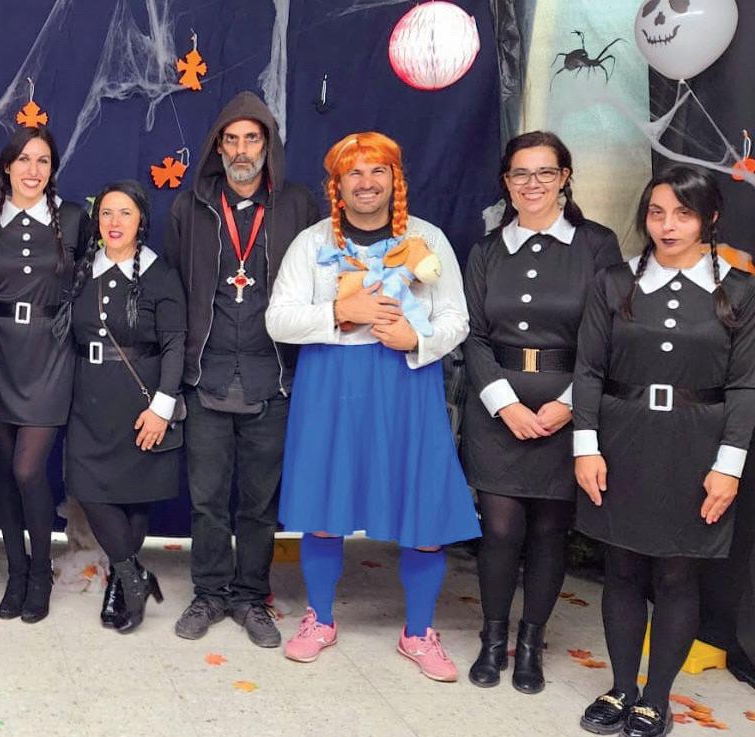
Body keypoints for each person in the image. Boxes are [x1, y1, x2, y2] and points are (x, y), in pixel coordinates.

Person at [265, 131, 479, 681]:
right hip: (331, 383)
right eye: (353, 173)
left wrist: (417, 338)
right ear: (336, 185)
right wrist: (340, 312)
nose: (366, 183)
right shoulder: (311, 243)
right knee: (324, 505)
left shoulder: (427, 239)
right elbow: (278, 319)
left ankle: (418, 631)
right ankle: (320, 618)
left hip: (406, 382)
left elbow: (457, 318)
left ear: (394, 179)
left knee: (422, 510)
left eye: (377, 171)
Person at [573, 166, 754, 737]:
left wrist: (728, 466)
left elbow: (746, 385)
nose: (667, 226)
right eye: (656, 213)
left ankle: (656, 698)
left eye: (683, 214)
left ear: (710, 219)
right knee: (622, 569)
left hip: (697, 446)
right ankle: (621, 687)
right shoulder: (614, 282)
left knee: (677, 575)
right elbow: (588, 370)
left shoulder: (740, 290)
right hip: (622, 439)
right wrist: (586, 447)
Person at [461, 131, 622, 693]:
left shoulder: (596, 245)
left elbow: (609, 335)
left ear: (564, 178)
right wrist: (504, 404)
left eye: (545, 173)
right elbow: (473, 335)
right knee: (500, 529)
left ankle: (531, 643)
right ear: (506, 183)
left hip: (569, 406)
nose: (532, 184)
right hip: (497, 409)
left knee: (551, 531)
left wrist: (569, 406)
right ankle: (492, 638)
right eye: (520, 174)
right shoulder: (486, 251)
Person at [164, 90, 318, 646]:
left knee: (259, 503)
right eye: (231, 140)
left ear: (267, 144)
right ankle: (209, 593)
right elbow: (174, 290)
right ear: (218, 147)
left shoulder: (298, 205)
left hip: (270, 378)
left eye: (251, 138)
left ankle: (251, 597)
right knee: (207, 499)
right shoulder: (190, 207)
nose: (241, 150)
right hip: (205, 377)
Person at [0, 126, 90, 623]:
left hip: (50, 352)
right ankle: (16, 572)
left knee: (27, 469)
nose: (32, 170)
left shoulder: (73, 219)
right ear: (6, 166)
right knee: (4, 471)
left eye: (42, 160)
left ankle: (40, 572)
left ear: (52, 169)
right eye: (23, 159)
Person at [65, 181, 186, 634]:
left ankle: (123, 586)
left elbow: (175, 344)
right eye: (107, 213)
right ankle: (136, 577)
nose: (114, 223)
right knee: (88, 487)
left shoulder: (160, 274)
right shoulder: (84, 270)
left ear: (141, 221)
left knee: (135, 497)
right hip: (88, 400)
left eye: (125, 213)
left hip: (141, 403)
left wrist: (162, 407)